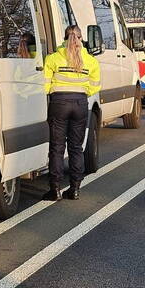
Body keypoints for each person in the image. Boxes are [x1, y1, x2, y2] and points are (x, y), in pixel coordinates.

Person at [42, 25, 101, 201]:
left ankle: (55, 189)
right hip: (80, 103)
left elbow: (44, 85)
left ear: (64, 38)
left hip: (59, 103)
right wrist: (81, 92)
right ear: (81, 38)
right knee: (76, 148)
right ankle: (74, 189)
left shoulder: (53, 58)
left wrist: (54, 92)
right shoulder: (91, 61)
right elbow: (95, 86)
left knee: (57, 148)